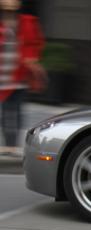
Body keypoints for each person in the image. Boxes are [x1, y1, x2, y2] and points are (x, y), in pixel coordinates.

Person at [0, 0, 45, 157]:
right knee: (5, 111)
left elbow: (36, 43)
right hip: (2, 76)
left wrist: (32, 59)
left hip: (19, 75)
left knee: (17, 110)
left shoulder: (26, 22)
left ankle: (12, 145)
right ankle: (7, 144)